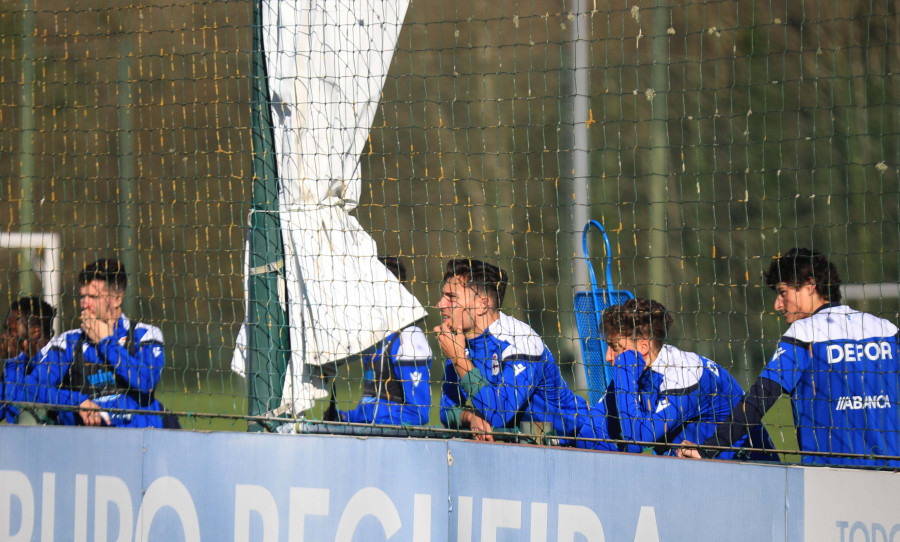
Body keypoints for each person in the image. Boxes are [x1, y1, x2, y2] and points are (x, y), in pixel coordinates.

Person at [685, 248, 900, 466]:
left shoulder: (805, 333)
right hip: (891, 476)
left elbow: (760, 399)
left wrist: (709, 449)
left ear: (810, 285)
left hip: (830, 478)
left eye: (782, 292)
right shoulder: (887, 330)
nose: (777, 305)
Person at [577, 297, 777, 460]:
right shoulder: (637, 371)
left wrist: (624, 368)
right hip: (698, 473)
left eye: (615, 348)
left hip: (750, 468)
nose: (608, 357)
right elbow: (592, 427)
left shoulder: (683, 375)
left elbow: (635, 439)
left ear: (643, 348)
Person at [435, 258, 591, 443]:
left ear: (482, 305)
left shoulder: (520, 340)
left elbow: (499, 413)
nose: (440, 304)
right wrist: (470, 418)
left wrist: (458, 358)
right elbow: (446, 409)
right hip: (531, 445)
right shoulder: (460, 342)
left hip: (578, 440)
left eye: (452, 297)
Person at [21, 258, 168, 427]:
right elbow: (30, 387)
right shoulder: (69, 342)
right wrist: (77, 401)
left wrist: (106, 343)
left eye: (93, 296)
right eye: (82, 296)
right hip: (84, 443)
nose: (84, 303)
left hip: (137, 442)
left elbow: (146, 383)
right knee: (29, 414)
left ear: (117, 299)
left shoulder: (145, 335)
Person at [335, 256, 432, 425]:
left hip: (397, 446)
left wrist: (369, 416)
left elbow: (418, 414)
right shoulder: (374, 337)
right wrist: (345, 417)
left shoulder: (409, 338)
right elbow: (371, 402)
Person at [1, 297, 56, 423]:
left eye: (10, 330)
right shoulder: (18, 366)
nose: (4, 336)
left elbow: (19, 408)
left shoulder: (56, 365)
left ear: (35, 332)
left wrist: (13, 362)